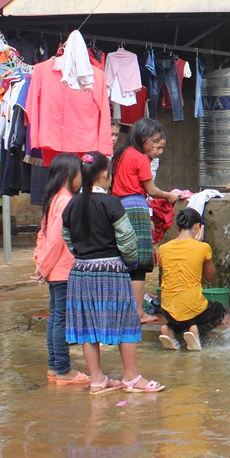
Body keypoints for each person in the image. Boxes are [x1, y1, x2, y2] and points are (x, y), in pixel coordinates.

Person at [63, 151, 165, 394]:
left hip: (81, 271)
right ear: (105, 176)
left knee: (88, 328)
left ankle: (97, 380)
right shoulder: (111, 203)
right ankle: (131, 377)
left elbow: (67, 239)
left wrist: (82, 258)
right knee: (126, 324)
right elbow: (128, 240)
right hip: (111, 270)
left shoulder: (71, 204)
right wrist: (127, 262)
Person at [111, 117, 179, 325]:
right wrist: (169, 196)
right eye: (155, 143)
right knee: (138, 264)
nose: (158, 148)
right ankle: (139, 313)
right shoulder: (139, 158)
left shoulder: (121, 154)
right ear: (143, 138)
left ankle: (123, 310)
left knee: (124, 260)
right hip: (136, 209)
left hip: (119, 207)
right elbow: (151, 190)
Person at [33, 153, 90, 385]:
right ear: (69, 175)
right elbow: (56, 239)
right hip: (62, 270)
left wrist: (41, 264)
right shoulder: (66, 201)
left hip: (55, 270)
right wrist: (43, 267)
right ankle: (64, 370)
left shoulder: (55, 198)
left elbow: (43, 235)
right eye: (79, 173)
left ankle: (54, 367)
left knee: (56, 319)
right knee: (61, 320)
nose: (82, 178)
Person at [158, 208, 224, 351]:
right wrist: (200, 245)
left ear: (177, 228)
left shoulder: (163, 248)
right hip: (194, 310)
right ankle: (195, 330)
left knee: (180, 314)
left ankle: (169, 329)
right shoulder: (202, 247)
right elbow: (210, 277)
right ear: (197, 227)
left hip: (167, 310)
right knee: (219, 310)